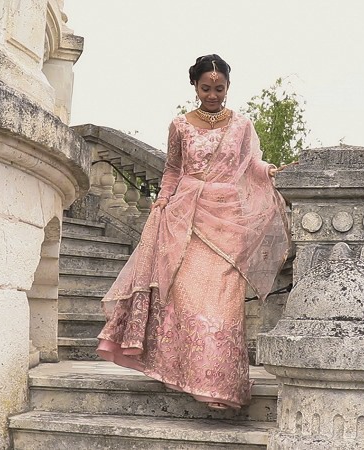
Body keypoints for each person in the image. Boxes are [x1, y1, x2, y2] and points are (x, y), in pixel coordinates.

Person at [96, 54, 290, 410]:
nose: (213, 95)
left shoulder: (242, 125)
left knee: (224, 300)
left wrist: (269, 173)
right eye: (206, 88)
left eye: (219, 88)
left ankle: (220, 384)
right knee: (185, 295)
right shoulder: (180, 125)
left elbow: (251, 164)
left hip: (228, 219)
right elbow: (172, 169)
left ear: (228, 87)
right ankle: (191, 372)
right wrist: (163, 199)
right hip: (185, 216)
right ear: (194, 86)